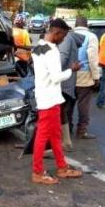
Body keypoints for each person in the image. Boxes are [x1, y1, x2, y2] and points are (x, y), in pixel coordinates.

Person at [30, 18, 82, 185]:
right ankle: (37, 172)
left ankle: (62, 167)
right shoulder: (51, 51)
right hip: (49, 99)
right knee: (43, 136)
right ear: (56, 32)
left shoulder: (39, 47)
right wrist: (71, 70)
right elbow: (55, 77)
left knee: (55, 135)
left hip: (46, 96)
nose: (63, 39)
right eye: (64, 36)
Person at [71, 16, 99, 139]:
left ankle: (67, 129)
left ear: (75, 24)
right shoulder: (91, 37)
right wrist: (96, 76)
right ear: (86, 24)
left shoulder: (68, 35)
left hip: (69, 74)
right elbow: (92, 58)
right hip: (84, 74)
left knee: (69, 104)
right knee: (83, 104)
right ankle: (81, 131)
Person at [58, 28, 85, 150]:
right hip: (68, 83)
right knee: (64, 111)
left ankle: (65, 140)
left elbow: (60, 63)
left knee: (61, 112)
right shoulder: (71, 39)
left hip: (63, 84)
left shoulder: (67, 39)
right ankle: (65, 141)